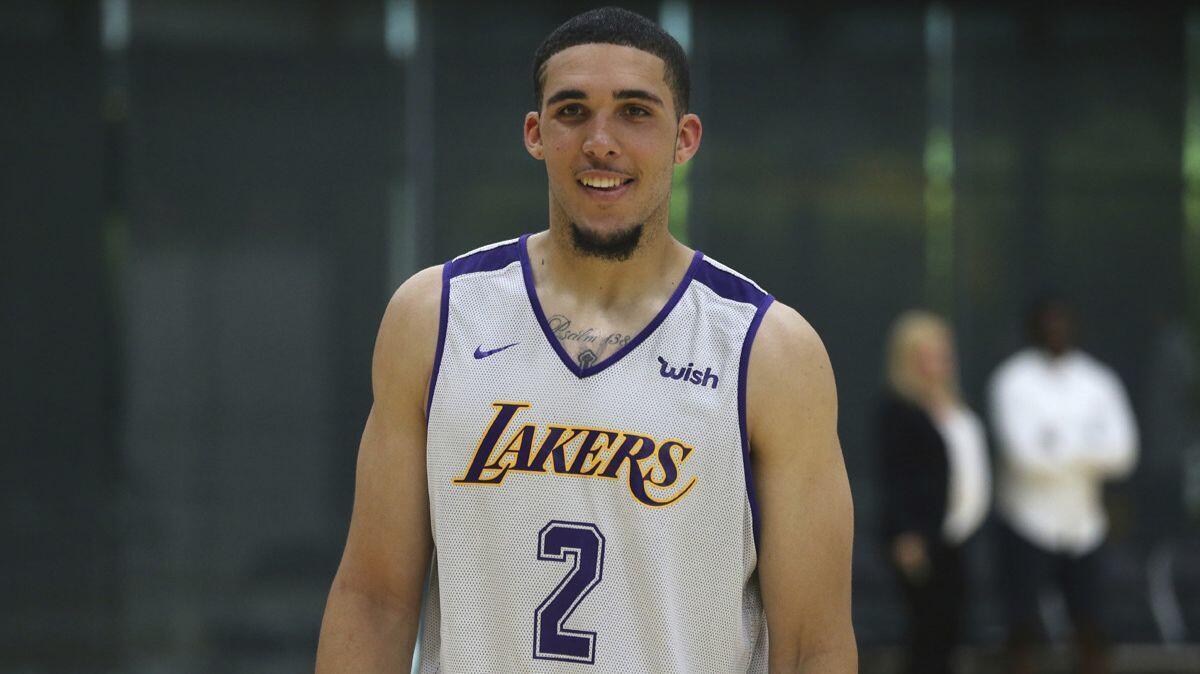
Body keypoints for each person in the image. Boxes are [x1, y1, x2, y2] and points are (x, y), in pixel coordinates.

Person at [314, 7, 856, 673]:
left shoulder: (770, 351)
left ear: (685, 139)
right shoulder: (434, 317)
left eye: (635, 111)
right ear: (535, 133)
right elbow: (373, 600)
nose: (601, 141)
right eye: (572, 112)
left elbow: (813, 645)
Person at [989, 297, 1138, 674]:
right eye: (1047, 322)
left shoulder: (1098, 381)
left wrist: (1057, 444)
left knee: (1091, 629)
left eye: (1063, 321)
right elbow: (1024, 458)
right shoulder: (1012, 380)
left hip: (1084, 525)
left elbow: (1123, 454)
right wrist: (1088, 447)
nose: (1056, 329)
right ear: (1033, 326)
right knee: (1022, 633)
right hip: (1027, 523)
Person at [877, 311, 990, 674]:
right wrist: (906, 534)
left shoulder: (954, 406)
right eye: (925, 355)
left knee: (951, 632)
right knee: (928, 634)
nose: (936, 362)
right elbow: (895, 477)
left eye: (941, 353)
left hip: (957, 534)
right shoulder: (900, 411)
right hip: (922, 539)